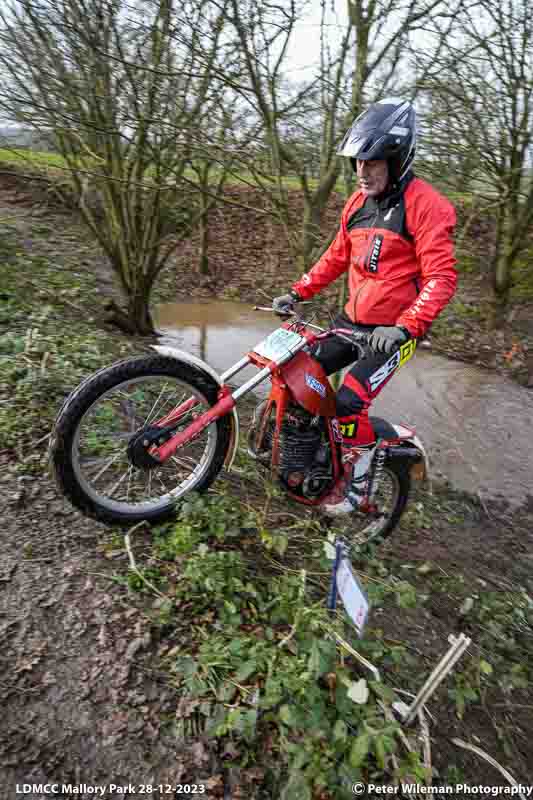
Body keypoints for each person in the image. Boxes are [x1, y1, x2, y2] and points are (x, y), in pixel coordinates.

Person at [272, 97, 457, 515]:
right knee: (303, 378)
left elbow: (441, 278)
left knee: (350, 403)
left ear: (397, 160)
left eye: (372, 162)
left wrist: (407, 328)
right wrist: (299, 291)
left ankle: (358, 488)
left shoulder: (427, 206)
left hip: (392, 334)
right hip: (350, 321)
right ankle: (312, 459)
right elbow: (336, 256)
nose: (362, 171)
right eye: (357, 161)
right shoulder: (357, 205)